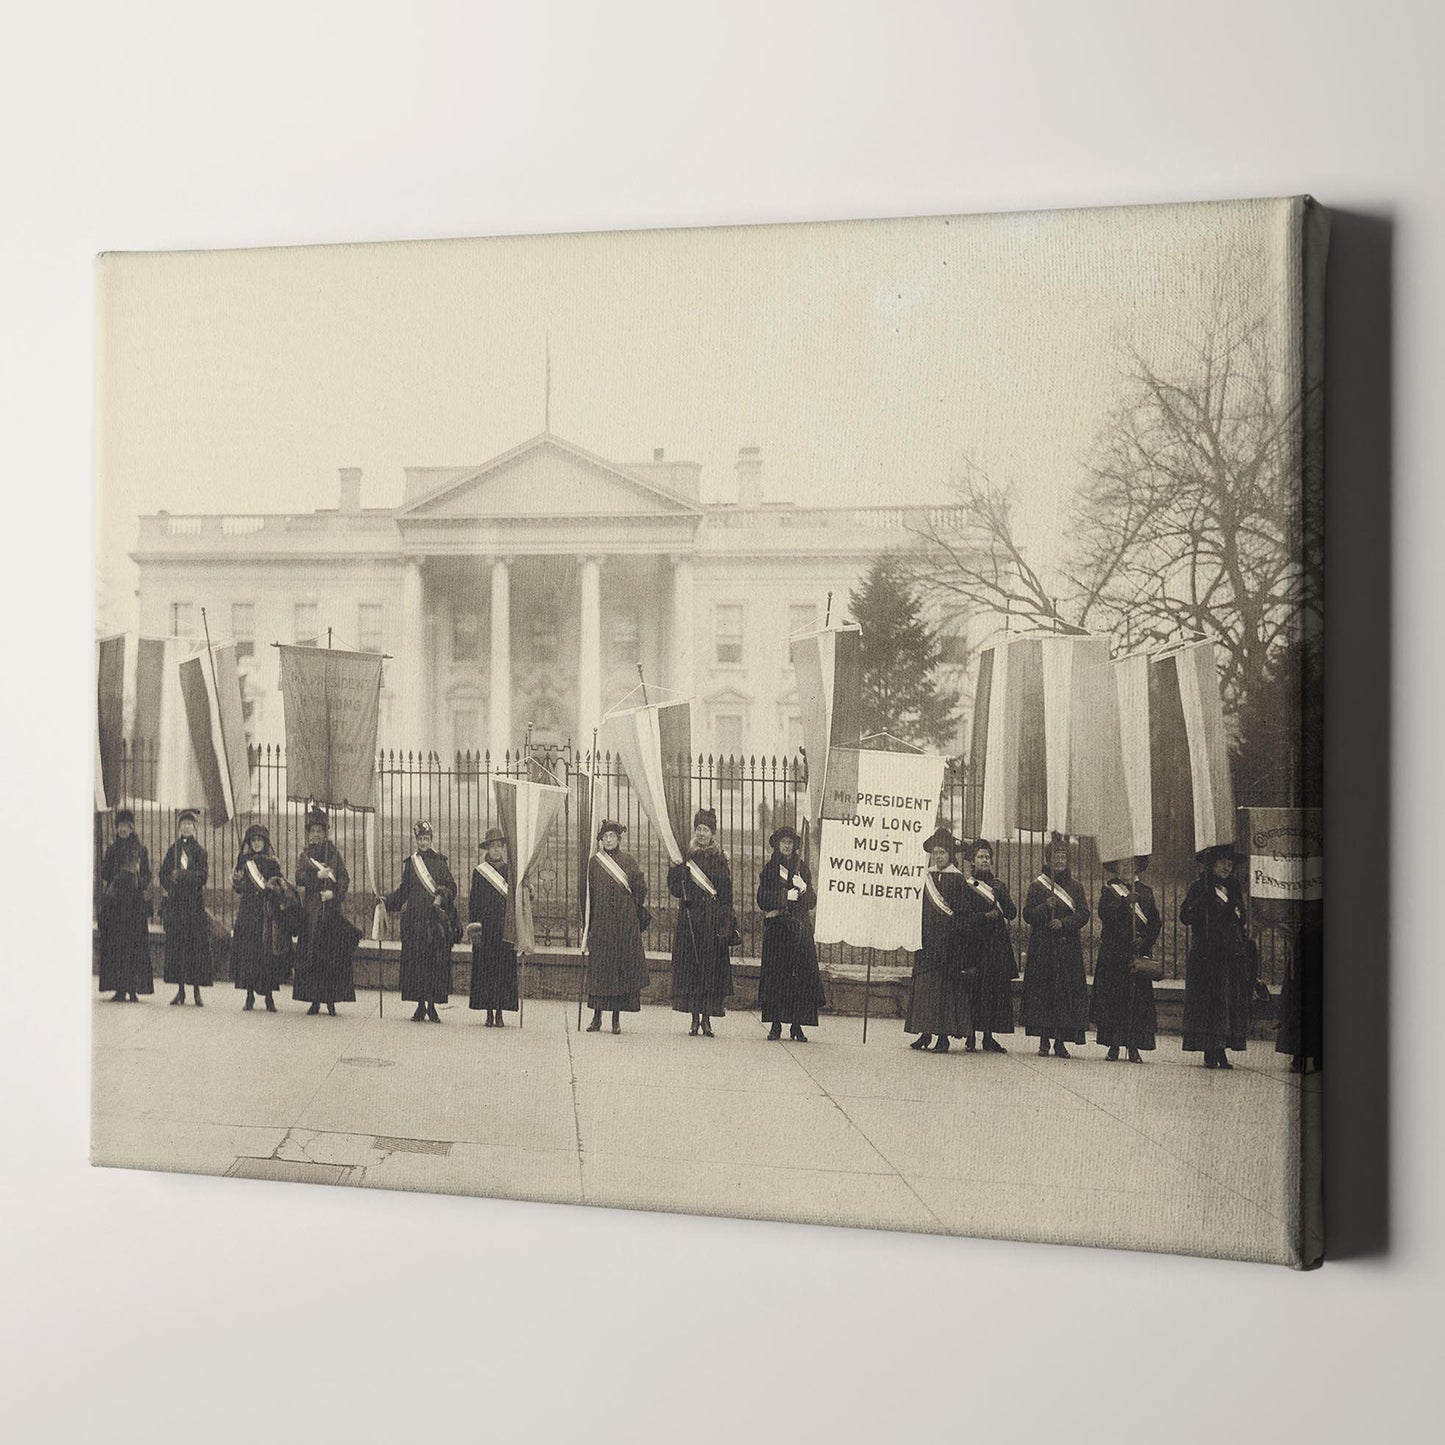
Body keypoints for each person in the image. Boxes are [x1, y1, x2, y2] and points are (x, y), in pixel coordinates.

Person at [1180, 844, 1255, 1069]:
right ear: (1212, 864)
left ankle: (1222, 1047)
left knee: (1227, 1003)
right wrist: (1203, 898)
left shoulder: (1233, 888)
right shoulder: (1198, 887)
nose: (1227, 866)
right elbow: (1186, 916)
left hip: (1229, 955)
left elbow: (1240, 918)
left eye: (1230, 863)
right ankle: (1209, 1049)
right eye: (1222, 862)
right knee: (1208, 1004)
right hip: (1205, 955)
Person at [905, 828, 979, 1053]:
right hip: (927, 942)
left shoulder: (957, 880)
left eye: (942, 853)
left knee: (944, 992)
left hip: (948, 944)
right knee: (926, 989)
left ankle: (943, 1037)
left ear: (950, 855)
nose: (938, 856)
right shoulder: (926, 877)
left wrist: (955, 938)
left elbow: (963, 914)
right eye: (935, 852)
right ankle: (925, 1033)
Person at [1021, 832, 1091, 1058]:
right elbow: (1027, 915)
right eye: (1056, 856)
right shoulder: (1038, 886)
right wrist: (1044, 907)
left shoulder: (1076, 887)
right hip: (1043, 947)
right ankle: (1044, 1040)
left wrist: (1064, 923)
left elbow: (1083, 913)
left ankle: (1061, 1041)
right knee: (1044, 993)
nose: (1060, 860)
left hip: (1066, 946)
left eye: (1063, 856)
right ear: (1049, 859)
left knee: (1064, 994)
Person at [667, 807, 734, 1036]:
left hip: (712, 921)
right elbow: (676, 889)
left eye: (705, 829)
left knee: (709, 972)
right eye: (699, 829)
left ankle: (707, 1019)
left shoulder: (720, 858)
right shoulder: (686, 858)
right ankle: (694, 1019)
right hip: (691, 920)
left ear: (712, 832)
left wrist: (726, 922)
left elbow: (726, 894)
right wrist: (676, 871)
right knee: (692, 971)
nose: (702, 833)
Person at [386, 820, 459, 1023]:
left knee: (434, 965)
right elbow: (403, 891)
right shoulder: (411, 864)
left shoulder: (440, 862)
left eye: (426, 838)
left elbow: (452, 887)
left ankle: (432, 1006)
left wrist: (442, 895)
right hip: (415, 922)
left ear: (431, 839)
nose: (423, 842)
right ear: (416, 840)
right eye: (420, 839)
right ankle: (420, 1006)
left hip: (434, 923)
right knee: (417, 965)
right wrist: (387, 901)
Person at [756, 824, 825, 1042]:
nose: (786, 846)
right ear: (777, 845)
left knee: (799, 980)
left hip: (798, 930)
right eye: (783, 842)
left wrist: (804, 889)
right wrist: (784, 897)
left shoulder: (801, 867)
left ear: (794, 845)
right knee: (777, 979)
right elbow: (762, 899)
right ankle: (776, 1025)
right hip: (778, 930)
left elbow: (812, 902)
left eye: (790, 843)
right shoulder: (770, 869)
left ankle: (797, 1026)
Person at [1091, 855, 1163, 1063]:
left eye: (1129, 865)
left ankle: (1134, 1047)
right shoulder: (1109, 891)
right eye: (1121, 865)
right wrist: (1124, 904)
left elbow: (1155, 922)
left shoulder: (1146, 892)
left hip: (1136, 952)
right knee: (1114, 1001)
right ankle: (1113, 1046)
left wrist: (1145, 940)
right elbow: (1105, 915)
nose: (1125, 869)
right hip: (1114, 953)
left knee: (1136, 1003)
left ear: (1137, 867)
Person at [582, 820, 650, 1034]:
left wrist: (629, 909)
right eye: (605, 837)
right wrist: (588, 924)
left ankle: (615, 1019)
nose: (609, 839)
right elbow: (586, 894)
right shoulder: (594, 863)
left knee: (619, 975)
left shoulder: (628, 861)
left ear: (619, 839)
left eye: (612, 836)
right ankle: (596, 1017)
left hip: (623, 926)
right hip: (601, 926)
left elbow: (640, 889)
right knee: (600, 973)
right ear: (601, 840)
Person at [291, 807, 359, 1017]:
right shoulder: (305, 855)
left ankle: (331, 1000)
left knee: (331, 958)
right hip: (312, 912)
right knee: (312, 957)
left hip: (330, 912)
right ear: (308, 833)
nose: (316, 834)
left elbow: (344, 878)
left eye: (320, 830)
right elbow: (299, 877)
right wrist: (317, 876)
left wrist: (333, 895)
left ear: (325, 832)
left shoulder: (333, 853)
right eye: (313, 831)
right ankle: (314, 1000)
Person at [230, 823, 296, 1012]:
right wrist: (237, 880)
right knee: (248, 955)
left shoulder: (272, 862)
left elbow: (281, 885)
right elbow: (240, 887)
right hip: (248, 912)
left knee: (266, 957)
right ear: (249, 843)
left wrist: (273, 886)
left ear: (265, 842)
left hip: (266, 914)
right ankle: (249, 995)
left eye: (259, 840)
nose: (256, 843)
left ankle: (269, 997)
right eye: (253, 840)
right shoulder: (243, 860)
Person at [961, 838, 1017, 1053]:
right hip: (975, 944)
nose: (984, 860)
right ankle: (971, 1036)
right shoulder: (967, 886)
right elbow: (963, 916)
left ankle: (988, 1036)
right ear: (973, 861)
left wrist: (1000, 894)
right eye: (980, 857)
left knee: (993, 991)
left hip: (995, 946)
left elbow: (1011, 913)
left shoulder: (998, 885)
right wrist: (985, 916)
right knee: (975, 989)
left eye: (987, 857)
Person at [97, 808, 154, 1002]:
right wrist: (115, 873)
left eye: (126, 826)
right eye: (120, 826)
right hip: (115, 905)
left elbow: (147, 874)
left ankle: (133, 988)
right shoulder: (112, 850)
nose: (122, 830)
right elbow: (104, 873)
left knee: (133, 946)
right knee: (117, 946)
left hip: (134, 906)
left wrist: (139, 880)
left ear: (132, 828)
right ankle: (119, 988)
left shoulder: (140, 849)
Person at [466, 827, 519, 1027]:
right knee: (486, 970)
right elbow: (474, 902)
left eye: (499, 846)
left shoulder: (510, 871)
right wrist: (475, 928)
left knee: (503, 971)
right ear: (486, 849)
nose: (496, 850)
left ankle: (500, 1012)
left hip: (504, 929)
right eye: (492, 846)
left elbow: (516, 900)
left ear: (503, 849)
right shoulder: (479, 872)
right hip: (486, 929)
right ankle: (488, 1012)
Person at [158, 808, 211, 1005]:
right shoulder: (173, 850)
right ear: (179, 827)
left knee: (194, 948)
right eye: (183, 824)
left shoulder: (200, 851)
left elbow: (202, 876)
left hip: (194, 907)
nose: (186, 827)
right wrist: (171, 883)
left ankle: (196, 990)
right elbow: (162, 874)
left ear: (195, 827)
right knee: (178, 948)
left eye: (190, 824)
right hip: (177, 906)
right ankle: (180, 990)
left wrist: (183, 875)